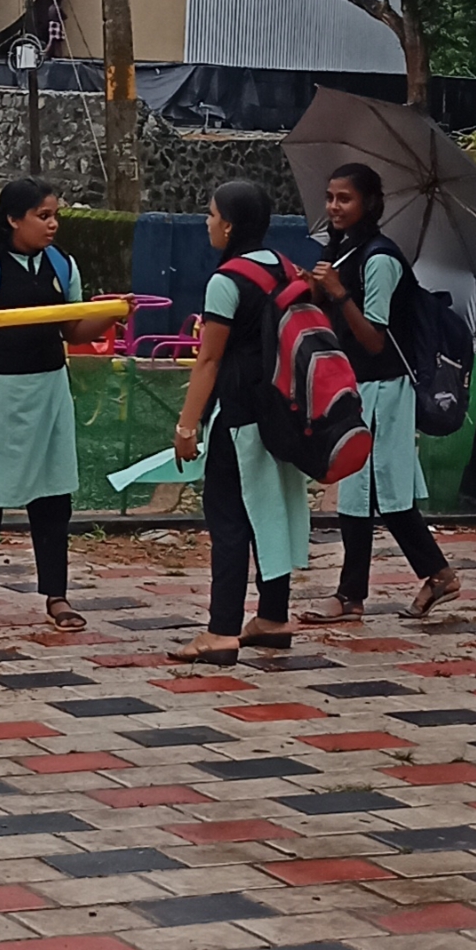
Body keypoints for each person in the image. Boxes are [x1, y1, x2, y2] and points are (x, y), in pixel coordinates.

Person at [0, 176, 119, 634]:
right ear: (15, 219)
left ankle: (57, 596)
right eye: (43, 216)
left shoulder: (62, 264)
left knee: (53, 498)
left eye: (55, 215)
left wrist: (111, 313)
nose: (53, 224)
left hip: (49, 391)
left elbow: (72, 329)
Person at [301, 164, 460, 622]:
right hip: (357, 385)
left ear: (369, 203)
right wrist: (318, 288)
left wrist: (338, 293)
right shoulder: (344, 253)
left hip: (385, 388)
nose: (334, 207)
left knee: (378, 490)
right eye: (330, 197)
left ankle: (355, 594)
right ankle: (424, 577)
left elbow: (375, 339)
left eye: (345, 198)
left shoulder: (380, 259)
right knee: (367, 490)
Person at [169, 179, 310, 665]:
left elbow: (209, 360)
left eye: (211, 215)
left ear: (229, 225)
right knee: (272, 510)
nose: (208, 223)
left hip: (238, 415)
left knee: (228, 518)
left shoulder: (226, 281)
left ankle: (222, 631)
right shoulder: (285, 268)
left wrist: (187, 427)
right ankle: (272, 616)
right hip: (283, 410)